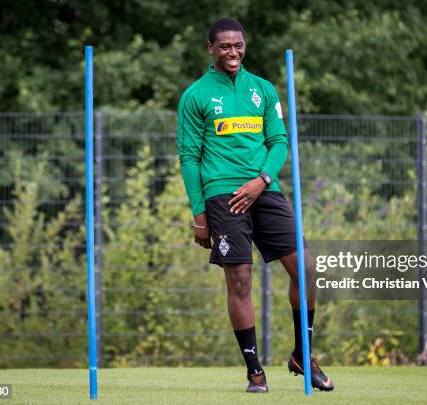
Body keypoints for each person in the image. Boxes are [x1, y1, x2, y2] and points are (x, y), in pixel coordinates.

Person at [177, 17, 333, 393]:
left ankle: (302, 354)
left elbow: (279, 142)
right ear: (211, 49)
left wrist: (262, 180)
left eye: (239, 46)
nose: (233, 53)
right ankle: (254, 371)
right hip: (222, 196)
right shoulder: (195, 95)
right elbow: (189, 158)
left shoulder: (263, 90)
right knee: (241, 280)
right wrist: (200, 216)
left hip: (265, 189)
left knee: (307, 269)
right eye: (225, 47)